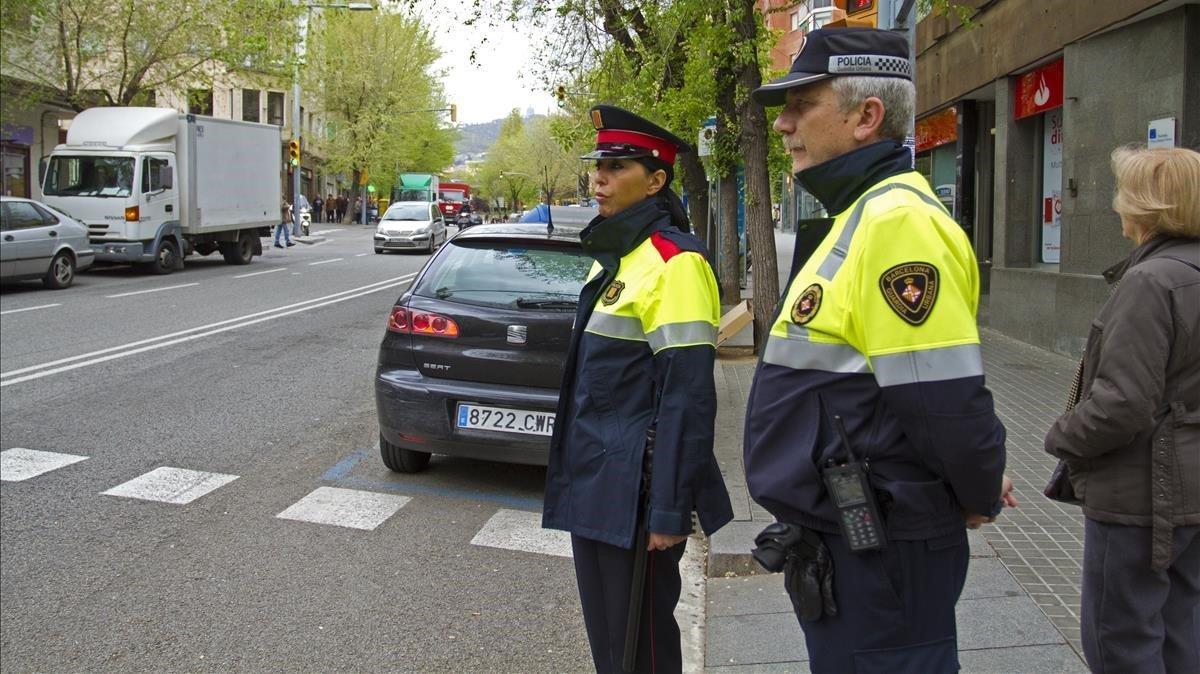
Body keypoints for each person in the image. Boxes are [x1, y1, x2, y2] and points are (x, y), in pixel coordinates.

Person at [743, 27, 1014, 672]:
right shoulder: (860, 215)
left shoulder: (897, 222)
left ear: (866, 117)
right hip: (852, 538)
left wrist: (976, 492)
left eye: (801, 105)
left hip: (881, 542)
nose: (782, 125)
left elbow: (942, 397)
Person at [542, 104, 733, 673]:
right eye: (597, 165)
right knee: (609, 644)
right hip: (598, 481)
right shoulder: (617, 258)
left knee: (641, 648)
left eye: (616, 166)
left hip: (637, 494)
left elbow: (688, 396)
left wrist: (670, 509)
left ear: (656, 180)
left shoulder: (675, 264)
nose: (598, 179)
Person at [1044, 146, 1200, 674]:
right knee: (1180, 633)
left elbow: (1122, 404)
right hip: (1188, 491)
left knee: (1120, 643)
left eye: (1122, 193)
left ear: (1148, 206)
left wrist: (1061, 435)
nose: (1116, 205)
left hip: (1141, 495)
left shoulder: (1151, 282)